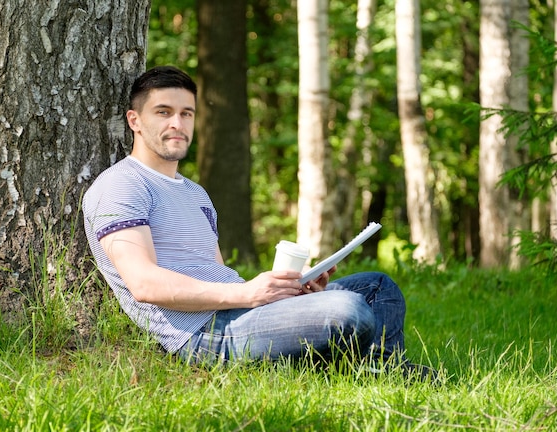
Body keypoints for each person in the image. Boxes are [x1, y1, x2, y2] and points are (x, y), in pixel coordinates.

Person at [83, 65, 435, 380]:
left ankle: (378, 370)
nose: (177, 124)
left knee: (377, 286)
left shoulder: (194, 193)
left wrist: (288, 290)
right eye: (164, 112)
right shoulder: (120, 185)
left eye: (186, 113)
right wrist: (248, 293)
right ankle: (364, 368)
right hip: (202, 334)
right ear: (135, 120)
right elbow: (145, 285)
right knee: (349, 311)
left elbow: (214, 272)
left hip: (235, 309)